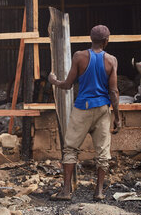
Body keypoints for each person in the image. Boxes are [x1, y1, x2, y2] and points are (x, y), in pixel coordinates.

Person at [48, 25, 121, 201]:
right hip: (103, 110)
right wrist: (117, 117)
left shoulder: (79, 57)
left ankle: (66, 192)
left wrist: (54, 81)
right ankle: (99, 192)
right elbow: (114, 92)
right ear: (106, 41)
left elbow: (67, 85)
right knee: (103, 152)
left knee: (71, 148)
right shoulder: (112, 60)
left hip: (82, 108)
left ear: (90, 38)